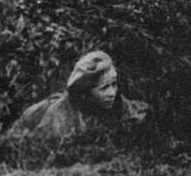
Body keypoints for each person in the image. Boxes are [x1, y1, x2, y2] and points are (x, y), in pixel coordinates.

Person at [10, 50, 148, 140]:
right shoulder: (62, 114)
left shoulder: (118, 103)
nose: (112, 93)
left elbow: (134, 117)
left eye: (113, 84)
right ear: (86, 92)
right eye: (104, 88)